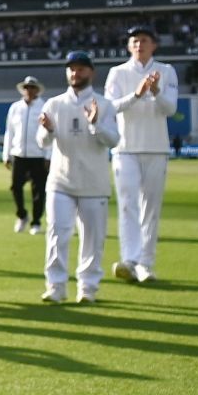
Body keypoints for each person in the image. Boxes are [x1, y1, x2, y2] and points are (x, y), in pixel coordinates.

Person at [38, 51, 120, 304]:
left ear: (91, 72)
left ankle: (88, 287)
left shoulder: (105, 105)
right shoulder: (54, 103)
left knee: (92, 240)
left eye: (81, 69)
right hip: (60, 181)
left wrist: (95, 124)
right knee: (57, 234)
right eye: (71, 69)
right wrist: (49, 130)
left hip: (94, 183)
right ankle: (56, 286)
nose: (76, 73)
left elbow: (114, 140)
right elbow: (41, 142)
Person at [104, 25, 179, 284]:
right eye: (134, 41)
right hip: (125, 148)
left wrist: (156, 90)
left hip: (156, 148)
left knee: (151, 208)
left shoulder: (167, 71)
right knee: (128, 205)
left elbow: (170, 109)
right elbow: (109, 107)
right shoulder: (118, 72)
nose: (139, 45)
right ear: (129, 46)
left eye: (144, 41)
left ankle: (146, 263)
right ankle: (130, 260)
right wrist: (135, 95)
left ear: (153, 45)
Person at [3, 76, 49, 235]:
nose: (29, 90)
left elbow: (49, 132)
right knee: (16, 187)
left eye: (32, 87)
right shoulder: (15, 107)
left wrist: (47, 156)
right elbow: (10, 131)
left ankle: (36, 221)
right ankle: (22, 215)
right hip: (18, 154)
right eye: (27, 87)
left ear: (37, 90)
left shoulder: (44, 107)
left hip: (38, 155)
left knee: (38, 190)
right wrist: (6, 154)